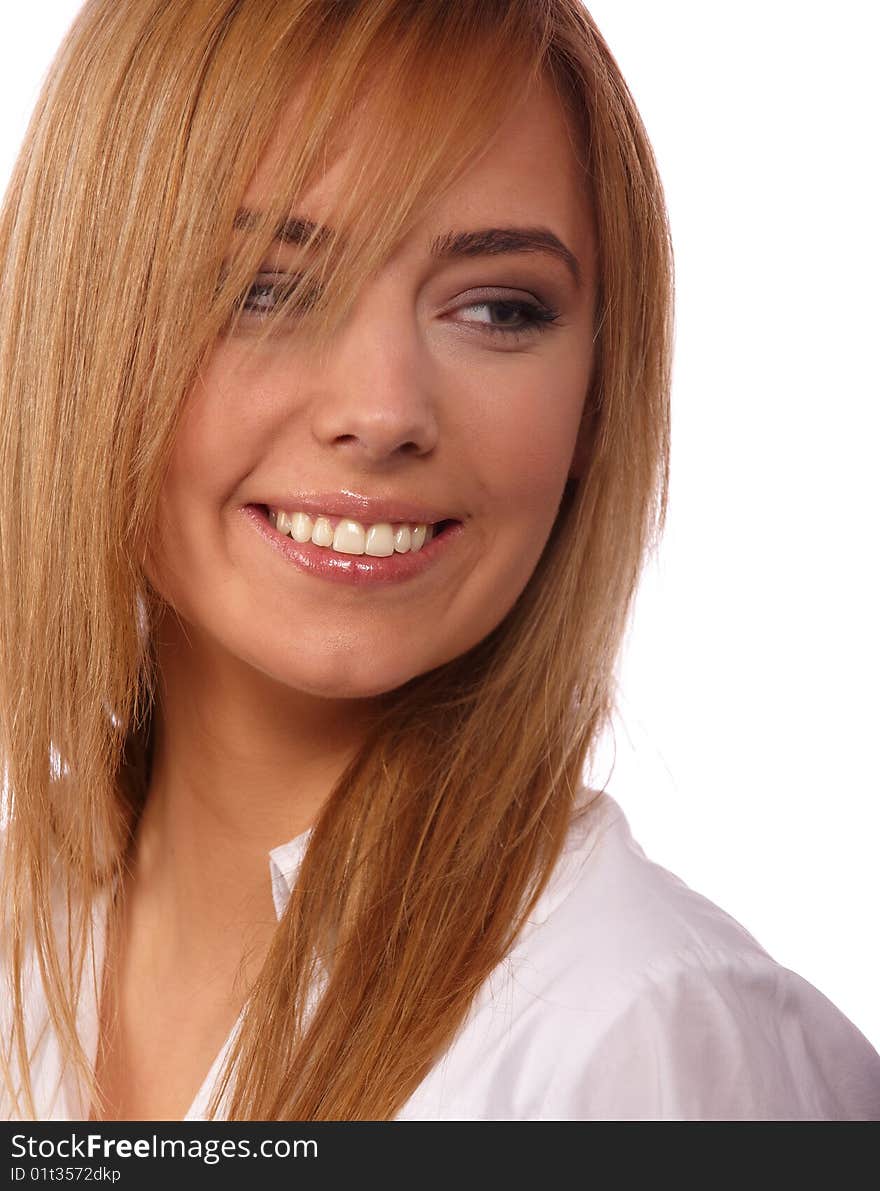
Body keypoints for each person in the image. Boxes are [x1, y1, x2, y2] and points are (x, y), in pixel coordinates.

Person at [1, 0, 878, 1123]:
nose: (382, 411)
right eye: (264, 289)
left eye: (498, 307)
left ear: (596, 404)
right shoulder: (25, 932)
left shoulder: (641, 1041)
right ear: (78, 332)